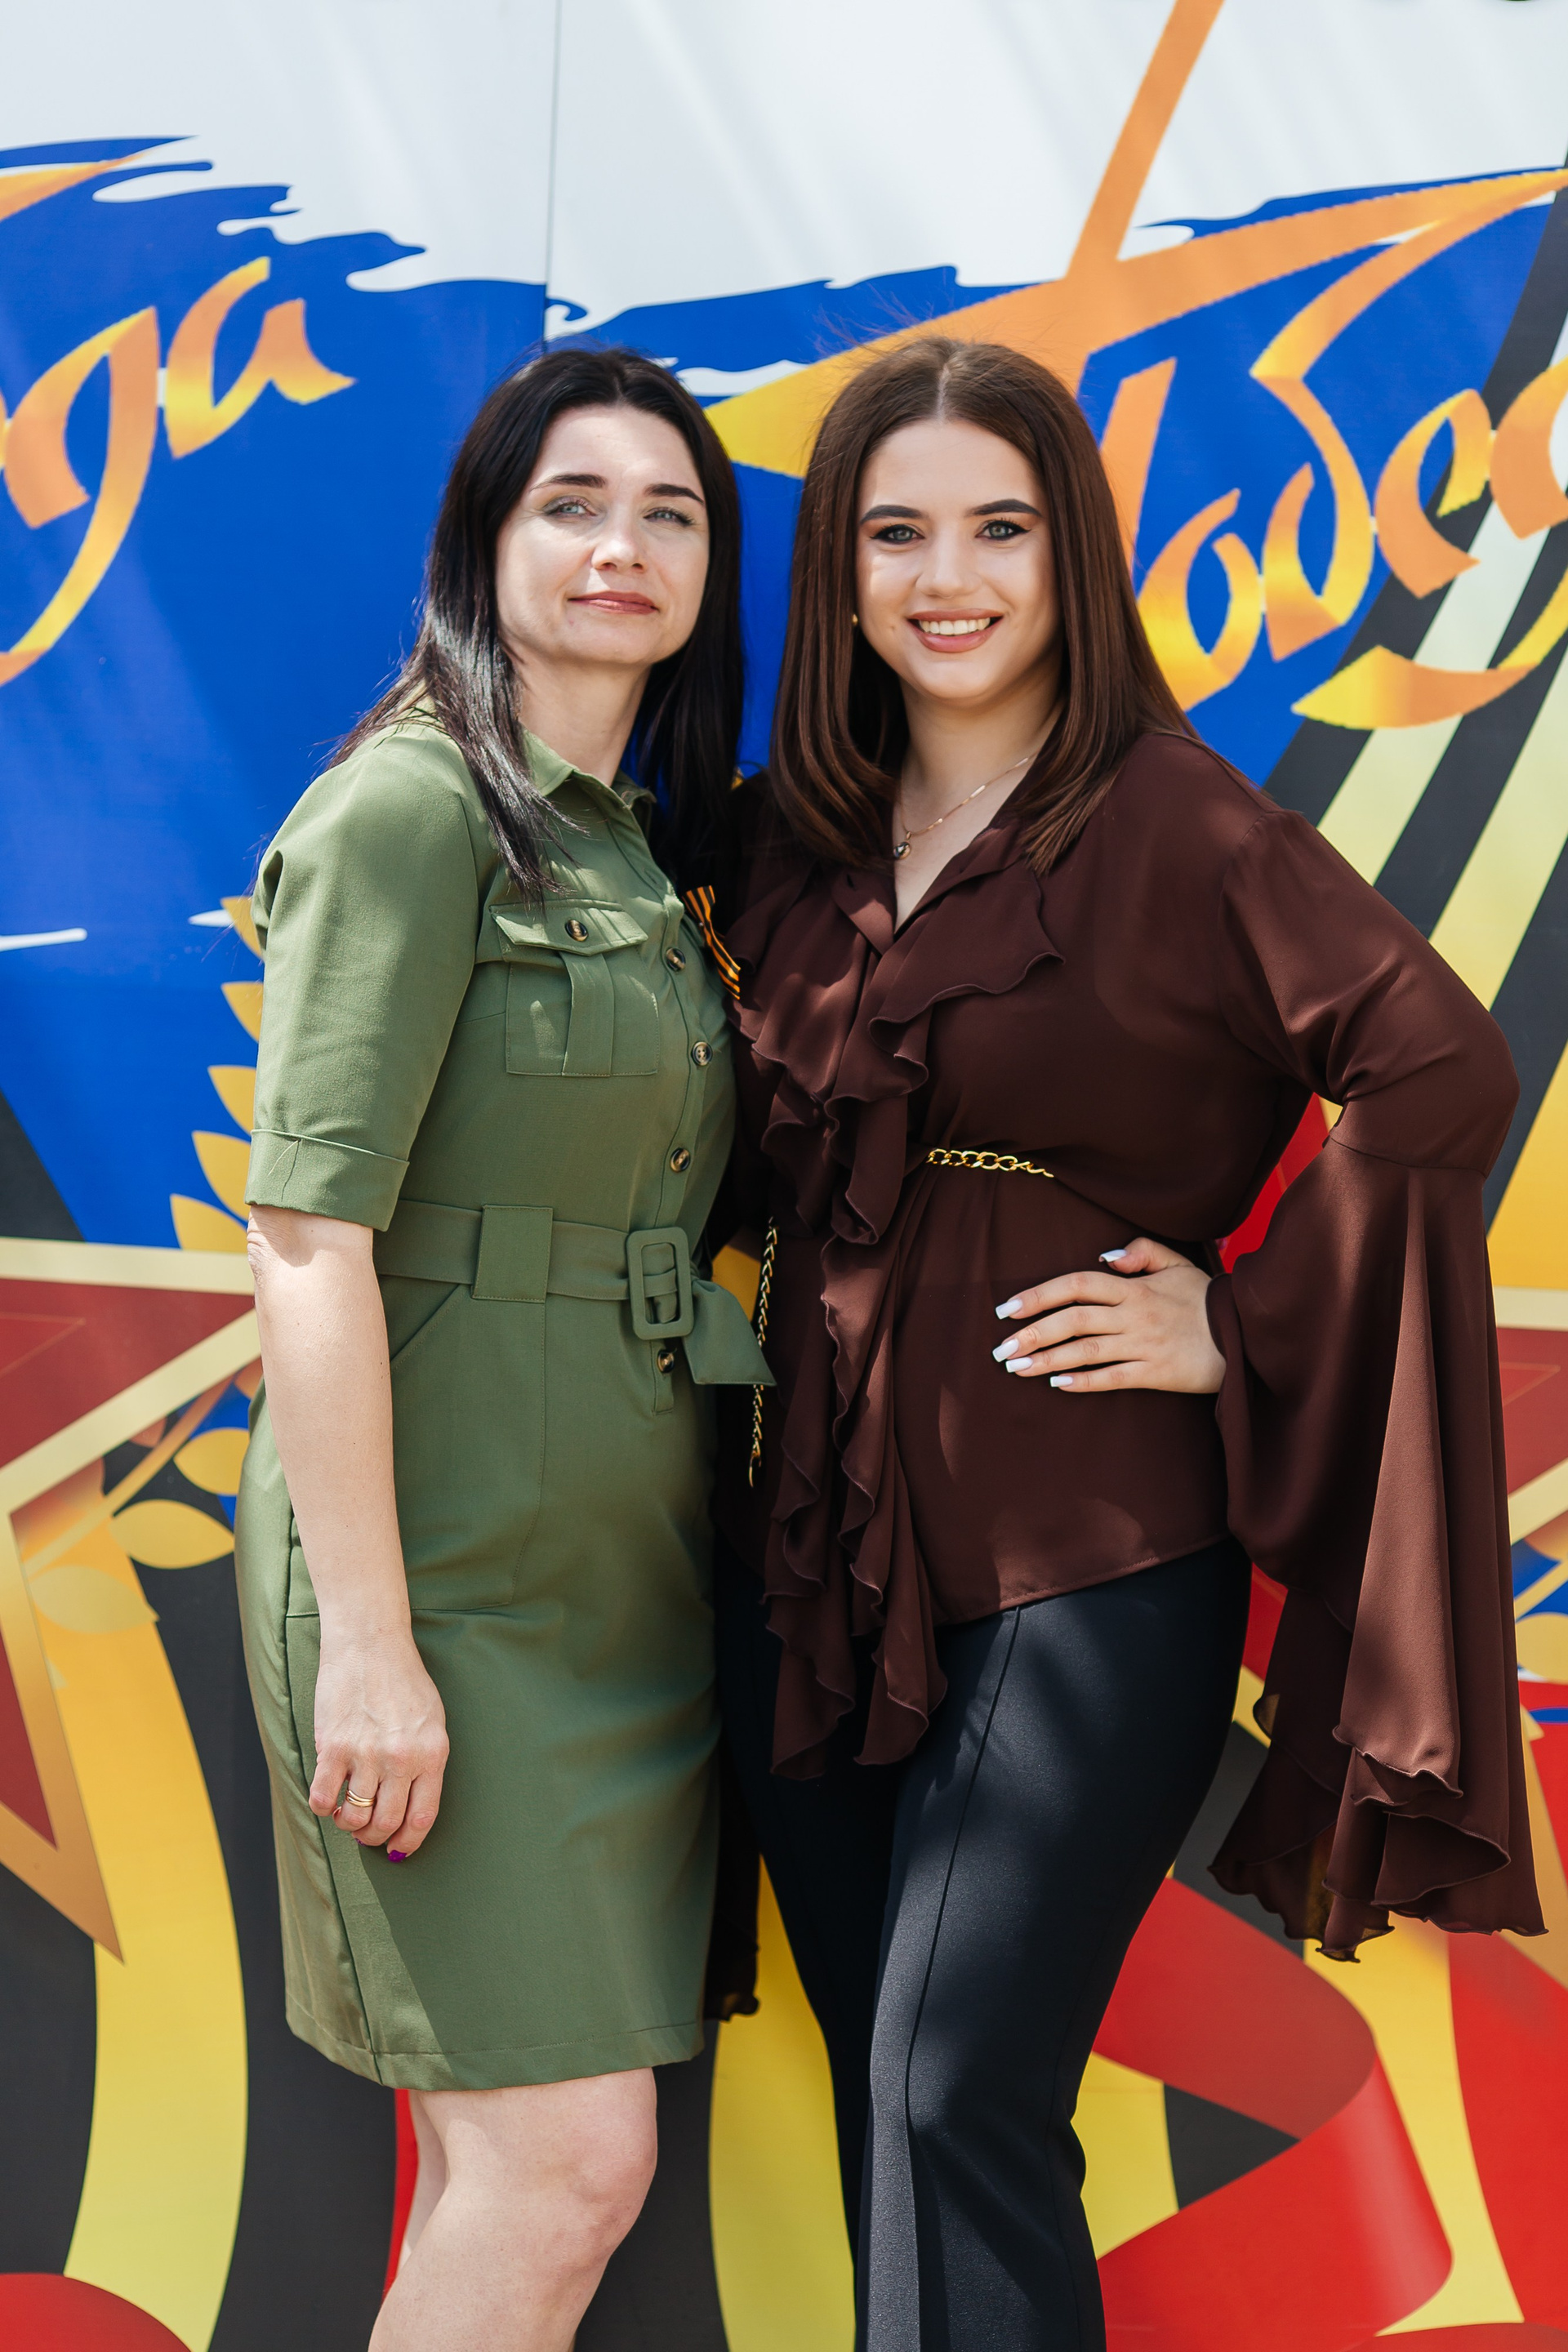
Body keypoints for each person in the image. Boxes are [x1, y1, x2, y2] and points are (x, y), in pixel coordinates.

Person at [710, 336, 1542, 2352]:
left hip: (1082, 1566)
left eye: (999, 529)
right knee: (905, 2114)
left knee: (950, 2091)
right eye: (895, 535)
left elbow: (1439, 1064)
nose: (948, 579)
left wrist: (1241, 1326)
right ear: (841, 576)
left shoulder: (1170, 820)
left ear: (1071, 556)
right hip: (817, 1567)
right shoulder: (788, 839)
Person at [234, 345, 768, 2352]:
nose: (623, 545)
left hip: (623, 1582)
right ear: (485, 539)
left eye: (669, 512)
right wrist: (372, 1642)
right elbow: (308, 1240)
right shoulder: (407, 808)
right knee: (562, 2171)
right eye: (573, 503)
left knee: (527, 2178)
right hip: (440, 1581)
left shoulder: (637, 849)